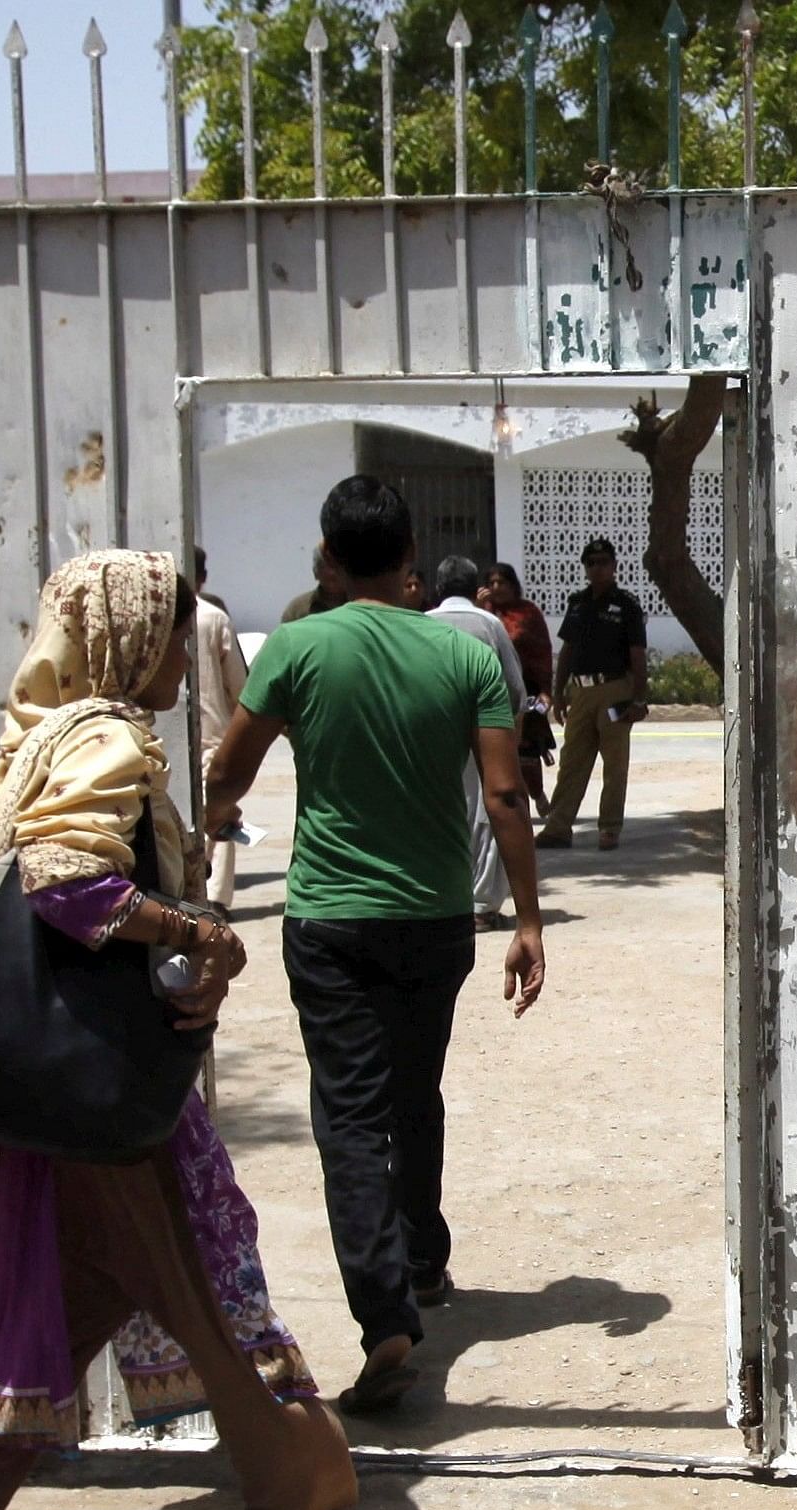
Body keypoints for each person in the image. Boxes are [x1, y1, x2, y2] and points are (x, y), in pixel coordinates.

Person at [0, 549, 398, 1510]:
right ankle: (294, 1504)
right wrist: (196, 931)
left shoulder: (39, 731)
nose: (183, 648)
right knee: (199, 1282)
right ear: (128, 640)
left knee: (70, 1285)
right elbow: (62, 875)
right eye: (172, 629)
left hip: (45, 1089)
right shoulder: (107, 737)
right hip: (101, 1088)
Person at [205, 479, 549, 1417]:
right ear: (408, 560)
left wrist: (203, 824)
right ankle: (425, 1258)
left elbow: (230, 770)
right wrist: (526, 917)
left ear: (326, 556)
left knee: (351, 1117)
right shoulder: (461, 654)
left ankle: (386, 1310)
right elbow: (506, 794)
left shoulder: (298, 648)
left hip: (330, 920)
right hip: (435, 919)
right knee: (413, 1089)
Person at [426, 554, 529, 927]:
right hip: (485, 732)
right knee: (485, 815)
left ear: (438, 590)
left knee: (441, 810)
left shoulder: (421, 624)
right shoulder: (489, 625)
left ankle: (442, 897)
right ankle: (482, 907)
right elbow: (514, 689)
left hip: (431, 734)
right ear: (475, 589)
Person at [534, 537, 651, 850]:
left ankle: (609, 828)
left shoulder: (627, 605)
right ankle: (557, 828)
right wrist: (559, 694)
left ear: (614, 566)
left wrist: (639, 699)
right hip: (581, 691)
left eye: (603, 562)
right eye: (591, 563)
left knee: (614, 763)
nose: (597, 568)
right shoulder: (577, 603)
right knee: (573, 761)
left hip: (615, 690)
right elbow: (567, 651)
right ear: (585, 568)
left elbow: (638, 654)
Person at [187, 547, 251, 909]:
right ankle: (215, 899)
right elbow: (240, 685)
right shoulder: (214, 619)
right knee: (221, 806)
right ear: (203, 577)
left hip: (171, 736)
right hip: (214, 730)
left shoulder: (162, 616)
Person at [479, 562, 558, 816]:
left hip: (526, 689)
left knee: (527, 755)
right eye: (491, 583)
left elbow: (542, 651)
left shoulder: (528, 613)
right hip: (490, 690)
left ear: (513, 585)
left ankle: (536, 793)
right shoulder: (483, 614)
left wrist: (546, 689)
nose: (496, 587)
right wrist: (479, 608)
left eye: (501, 582)